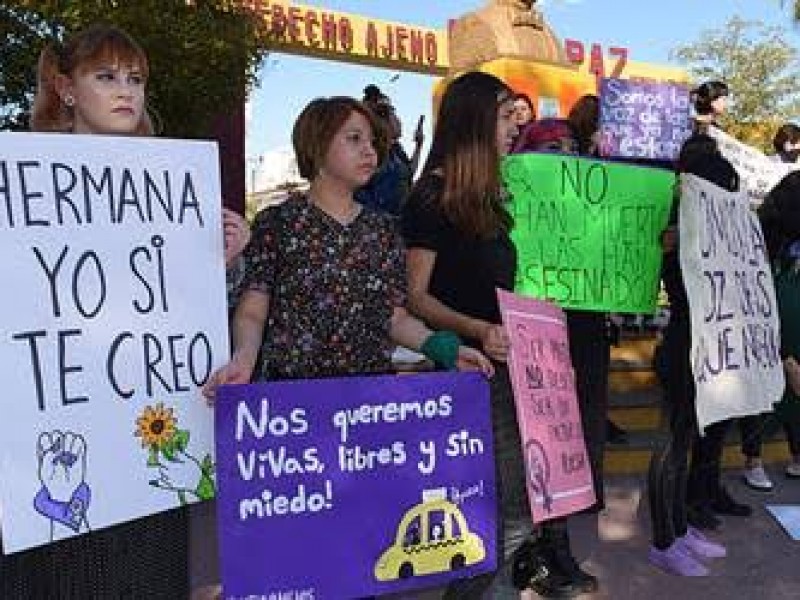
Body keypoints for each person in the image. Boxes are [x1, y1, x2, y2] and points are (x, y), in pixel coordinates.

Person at [0, 24, 192, 599]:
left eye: (134, 78)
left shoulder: (169, 186)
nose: (125, 91)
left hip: (142, 439)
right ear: (64, 87)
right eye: (105, 76)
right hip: (51, 428)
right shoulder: (19, 182)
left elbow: (180, 309)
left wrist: (218, 256)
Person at [402, 72, 593, 599]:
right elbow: (414, 295)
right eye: (507, 115)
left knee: (516, 505)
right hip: (465, 374)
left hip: (510, 371)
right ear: (473, 119)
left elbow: (505, 294)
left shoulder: (490, 201)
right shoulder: (431, 197)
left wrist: (546, 351)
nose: (516, 126)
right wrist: (475, 330)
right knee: (502, 508)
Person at [204, 94, 492, 389]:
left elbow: (394, 318)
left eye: (371, 142)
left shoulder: (383, 229)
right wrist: (243, 359)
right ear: (316, 147)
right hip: (290, 406)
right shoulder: (276, 223)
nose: (369, 151)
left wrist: (444, 349)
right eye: (354, 139)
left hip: (367, 404)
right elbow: (252, 313)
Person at [646, 133, 732, 577]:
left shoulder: (710, 227)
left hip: (706, 345)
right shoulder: (673, 229)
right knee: (672, 444)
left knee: (686, 443)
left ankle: (679, 529)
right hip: (683, 345)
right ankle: (664, 540)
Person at [355, 84, 424, 216]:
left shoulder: (395, 150)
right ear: (382, 120)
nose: (399, 121)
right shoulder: (367, 154)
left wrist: (419, 145)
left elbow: (409, 173)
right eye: (394, 114)